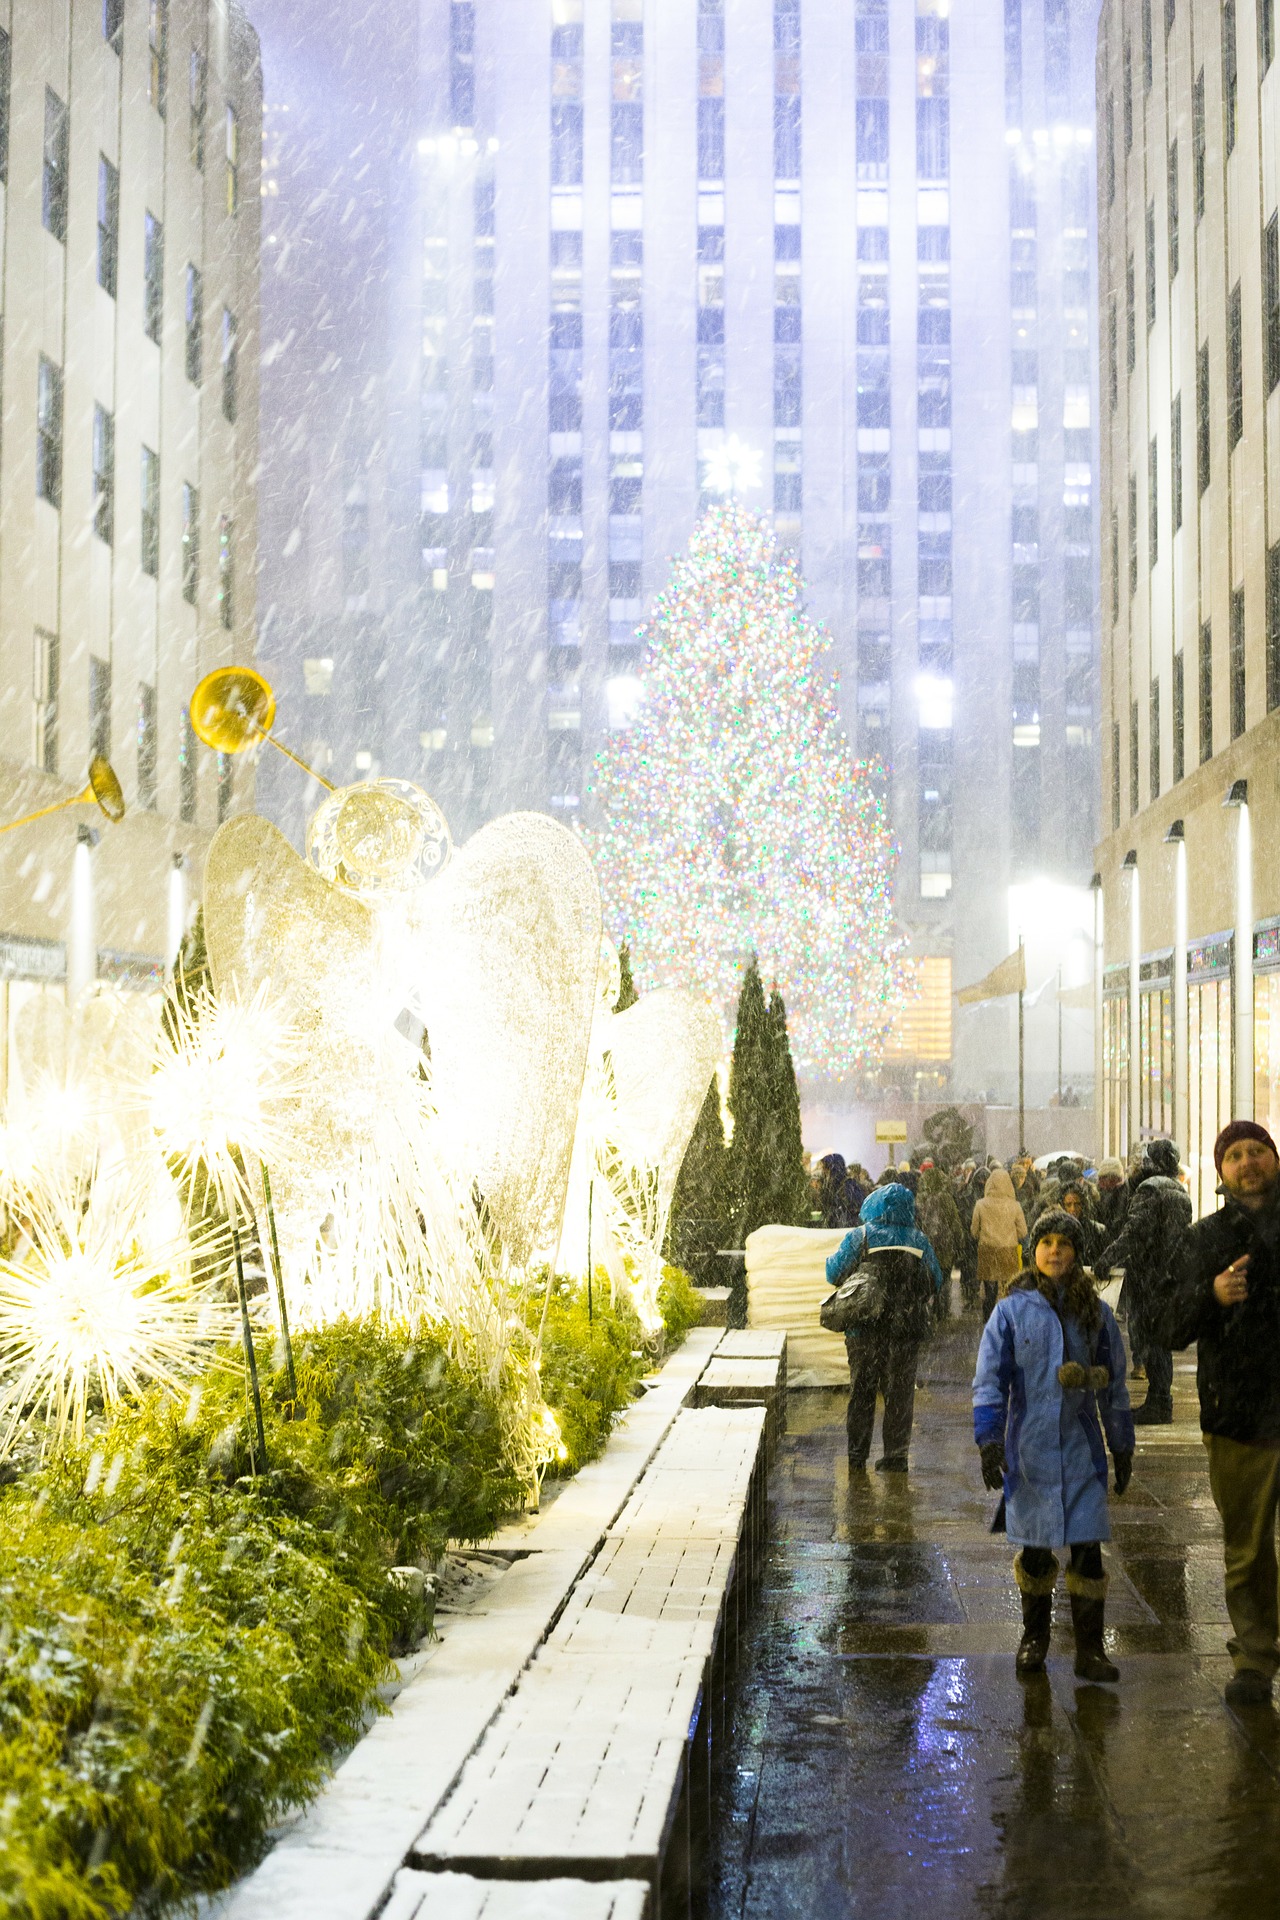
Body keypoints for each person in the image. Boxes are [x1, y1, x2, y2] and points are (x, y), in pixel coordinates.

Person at [973, 1208, 1134, 1681]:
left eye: (1064, 1244)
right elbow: (989, 1380)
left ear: (1077, 1252)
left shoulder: (1096, 1312)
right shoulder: (1011, 1310)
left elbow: (1116, 1382)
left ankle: (1091, 1650)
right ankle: (1034, 1639)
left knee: (1087, 1550)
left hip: (1082, 1453)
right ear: (1033, 1250)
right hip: (1031, 1453)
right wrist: (988, 1441)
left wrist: (1122, 1445)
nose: (1055, 1251)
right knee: (1037, 1549)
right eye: (1047, 1243)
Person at [1163, 1120, 1280, 1707]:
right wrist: (1210, 1293)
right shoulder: (1206, 1237)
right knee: (1248, 1546)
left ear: (1274, 1159)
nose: (1248, 1162)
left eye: (1257, 1151)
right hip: (1239, 1414)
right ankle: (1256, 1658)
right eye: (1235, 1155)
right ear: (1220, 1172)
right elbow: (1170, 1325)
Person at [826, 1182, 945, 1473]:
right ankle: (896, 1455)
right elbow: (936, 1280)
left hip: (864, 1332)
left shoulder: (861, 1236)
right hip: (904, 1331)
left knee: (863, 1392)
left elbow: (834, 1273)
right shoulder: (919, 1240)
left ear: (873, 1205)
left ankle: (857, 1455)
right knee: (900, 1393)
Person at [1094, 1138, 1190, 1425]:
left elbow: (1133, 1232)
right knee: (1160, 1340)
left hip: (1148, 1275)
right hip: (1168, 1274)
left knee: (1150, 1340)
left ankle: (1159, 1403)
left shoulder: (1150, 1190)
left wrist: (1107, 1259)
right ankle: (1160, 1399)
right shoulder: (1178, 1190)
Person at [970, 1166, 1028, 1319]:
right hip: (1008, 1251)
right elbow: (1023, 1232)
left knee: (990, 1289)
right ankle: (1008, 1317)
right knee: (1008, 1288)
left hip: (988, 1250)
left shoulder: (980, 1204)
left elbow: (974, 1231)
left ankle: (989, 1319)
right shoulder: (1015, 1206)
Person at [917, 1164, 965, 1323]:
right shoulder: (946, 1198)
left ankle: (926, 1312)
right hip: (944, 1246)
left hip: (925, 1246)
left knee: (927, 1279)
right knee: (944, 1279)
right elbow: (955, 1223)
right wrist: (959, 1242)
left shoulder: (920, 1198)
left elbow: (917, 1222)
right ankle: (942, 1311)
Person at [1060, 1181, 1107, 1267]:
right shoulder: (1058, 1230)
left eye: (1077, 1204)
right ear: (1063, 1206)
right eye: (1068, 1205)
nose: (1073, 1209)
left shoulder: (1096, 1230)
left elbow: (1102, 1259)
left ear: (1082, 1205)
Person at [813, 1152, 863, 1229]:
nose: (823, 1171)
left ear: (832, 1168)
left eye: (825, 1168)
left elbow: (854, 1208)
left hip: (845, 1228)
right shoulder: (829, 1185)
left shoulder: (849, 1184)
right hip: (835, 1227)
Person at [1095, 1156, 1129, 1233]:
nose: (1108, 1183)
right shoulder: (1096, 1193)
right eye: (1104, 1178)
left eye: (1112, 1179)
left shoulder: (1125, 1192)